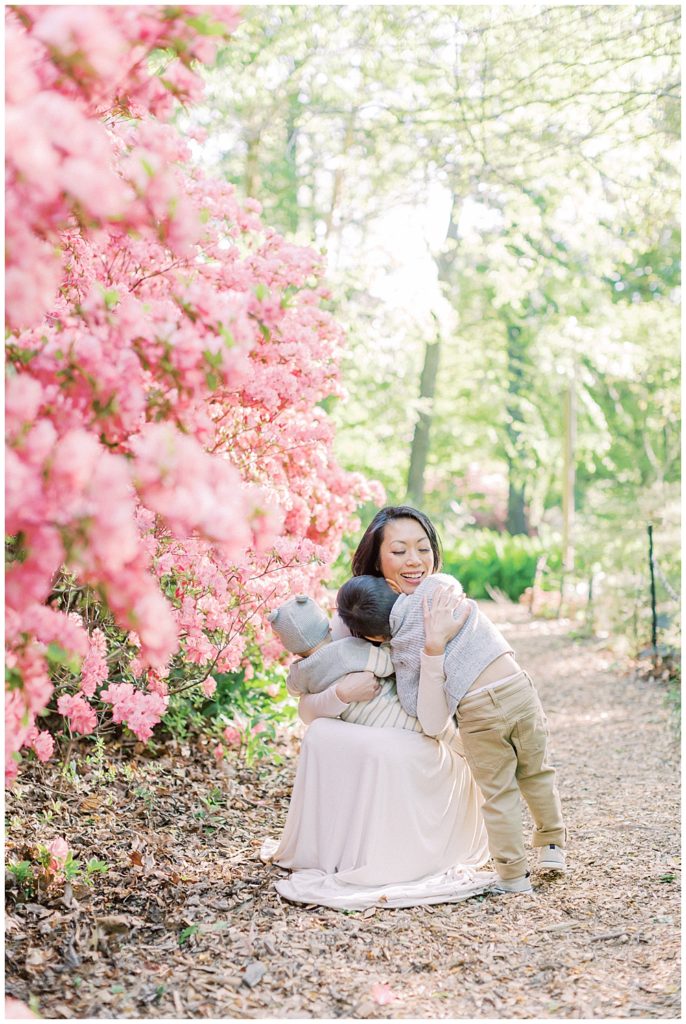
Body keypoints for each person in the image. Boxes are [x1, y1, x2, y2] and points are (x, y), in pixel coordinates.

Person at [261, 506, 497, 910]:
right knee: (323, 732)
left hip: (435, 739)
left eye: (422, 549)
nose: (414, 561)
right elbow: (306, 711)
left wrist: (435, 649)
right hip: (380, 730)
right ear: (377, 558)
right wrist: (343, 694)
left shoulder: (443, 609)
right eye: (400, 550)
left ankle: (400, 855)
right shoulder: (355, 610)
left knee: (391, 748)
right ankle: (346, 851)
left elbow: (455, 709)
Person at [336, 568, 567, 893]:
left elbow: (430, 720)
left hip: (477, 711)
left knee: (499, 793)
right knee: (537, 773)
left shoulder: (402, 653)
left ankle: (514, 876)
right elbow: (451, 583)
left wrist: (431, 653)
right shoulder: (436, 589)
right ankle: (553, 847)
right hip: (517, 687)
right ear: (392, 585)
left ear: (374, 637)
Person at [268, 591, 451, 735]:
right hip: (393, 712)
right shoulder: (346, 649)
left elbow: (292, 690)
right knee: (446, 733)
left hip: (363, 723)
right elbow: (387, 664)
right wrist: (389, 644)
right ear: (328, 627)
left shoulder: (299, 672)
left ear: (294, 651)